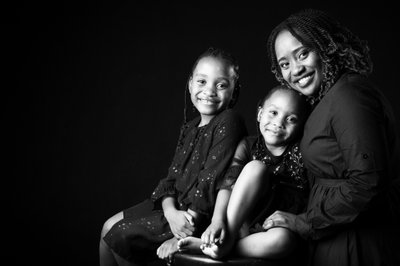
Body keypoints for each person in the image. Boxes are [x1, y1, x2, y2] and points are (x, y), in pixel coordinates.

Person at [264, 8, 400, 266]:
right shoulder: (328, 99)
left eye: (303, 53)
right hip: (334, 240)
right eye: (285, 64)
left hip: (357, 246)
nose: (296, 69)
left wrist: (303, 222)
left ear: (327, 47)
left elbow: (368, 182)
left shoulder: (349, 95)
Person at [99, 47, 247, 266]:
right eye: (202, 82)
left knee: (120, 236)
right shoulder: (189, 127)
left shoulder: (228, 121)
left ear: (234, 92)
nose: (210, 91)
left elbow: (209, 182)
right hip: (174, 206)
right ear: (190, 84)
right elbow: (171, 179)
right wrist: (169, 212)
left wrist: (180, 232)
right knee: (106, 228)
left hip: (198, 214)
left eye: (221, 85)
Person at [177, 85, 311, 262]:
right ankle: (226, 238)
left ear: (301, 126)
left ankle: (220, 247)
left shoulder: (302, 152)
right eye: (273, 113)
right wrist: (218, 220)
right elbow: (228, 184)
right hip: (243, 223)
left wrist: (298, 219)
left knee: (283, 241)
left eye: (291, 119)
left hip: (274, 226)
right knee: (256, 167)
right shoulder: (248, 145)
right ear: (259, 113)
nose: (279, 123)